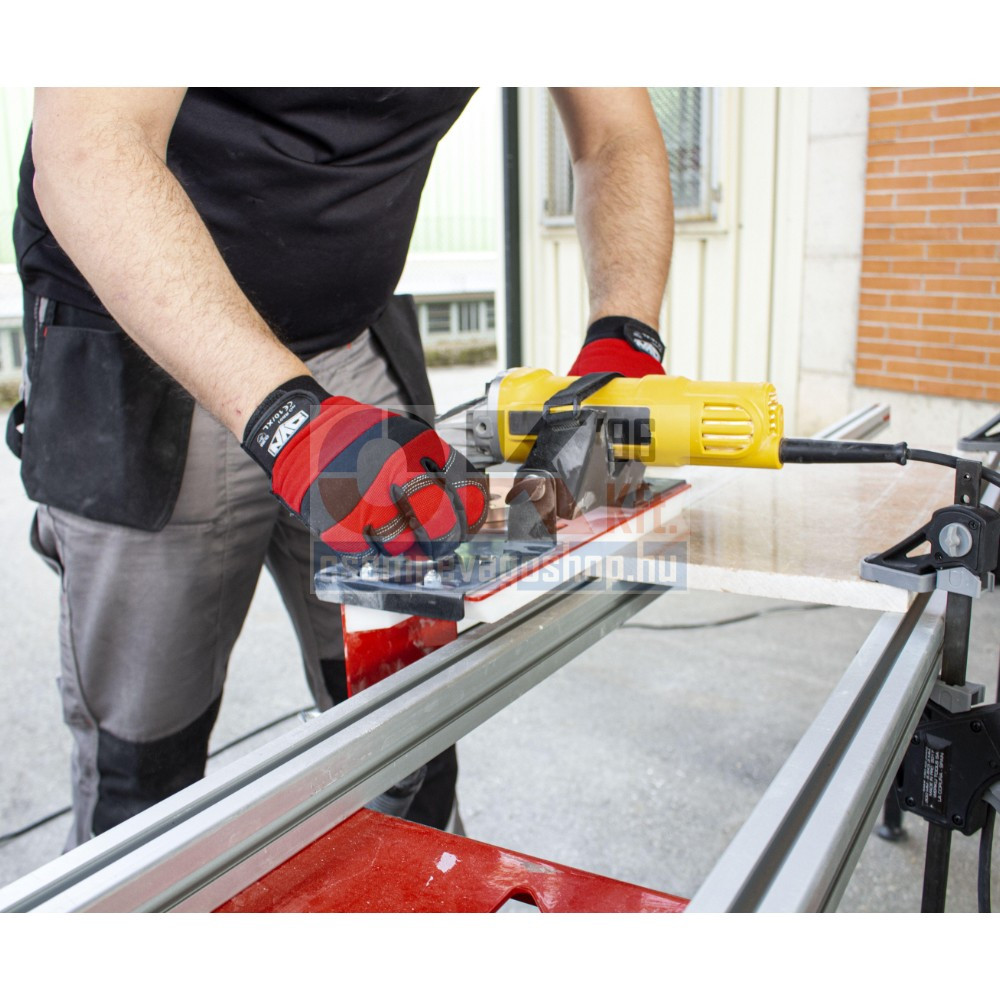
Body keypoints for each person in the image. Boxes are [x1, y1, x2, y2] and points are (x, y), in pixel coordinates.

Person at [7, 87, 674, 849]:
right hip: (146, 346)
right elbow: (90, 147)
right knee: (145, 763)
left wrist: (626, 333)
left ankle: (419, 889)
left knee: (408, 715)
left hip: (351, 338)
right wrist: (289, 421)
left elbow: (614, 134)